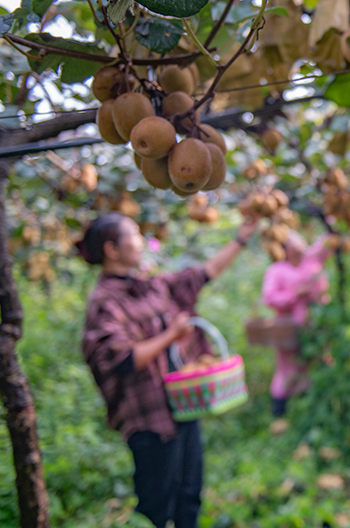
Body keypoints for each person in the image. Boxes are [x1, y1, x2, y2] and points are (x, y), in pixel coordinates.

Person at [78, 211, 259, 528]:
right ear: (111, 249)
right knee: (156, 506)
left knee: (189, 495)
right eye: (133, 234)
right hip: (149, 419)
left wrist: (242, 238)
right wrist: (171, 336)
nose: (141, 241)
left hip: (182, 408)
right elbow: (123, 360)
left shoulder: (150, 285)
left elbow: (203, 274)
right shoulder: (106, 302)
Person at [261, 232, 335, 417]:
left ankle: (310, 411)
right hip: (289, 329)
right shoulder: (277, 270)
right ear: (285, 248)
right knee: (287, 368)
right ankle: (280, 415)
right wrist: (294, 294)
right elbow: (269, 297)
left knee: (316, 363)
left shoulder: (310, 262)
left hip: (316, 325)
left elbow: (326, 242)